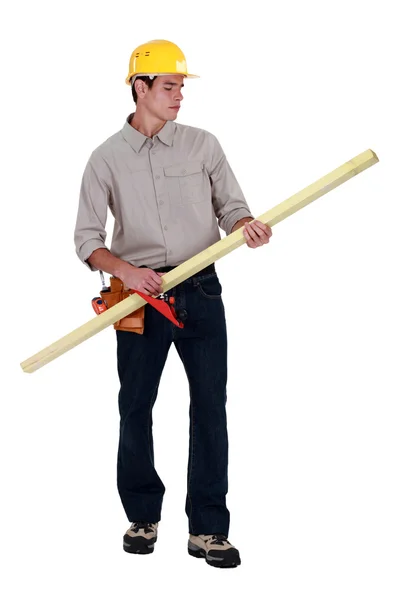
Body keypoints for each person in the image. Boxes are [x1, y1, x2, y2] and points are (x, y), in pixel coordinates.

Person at [74, 39, 272, 569]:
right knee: (135, 407)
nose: (179, 95)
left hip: (201, 290)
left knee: (210, 407)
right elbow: (87, 239)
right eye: (169, 86)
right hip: (137, 300)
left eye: (182, 86)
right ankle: (142, 515)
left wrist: (243, 226)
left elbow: (232, 206)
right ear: (139, 88)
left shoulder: (203, 145)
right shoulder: (105, 159)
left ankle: (208, 530)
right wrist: (126, 271)